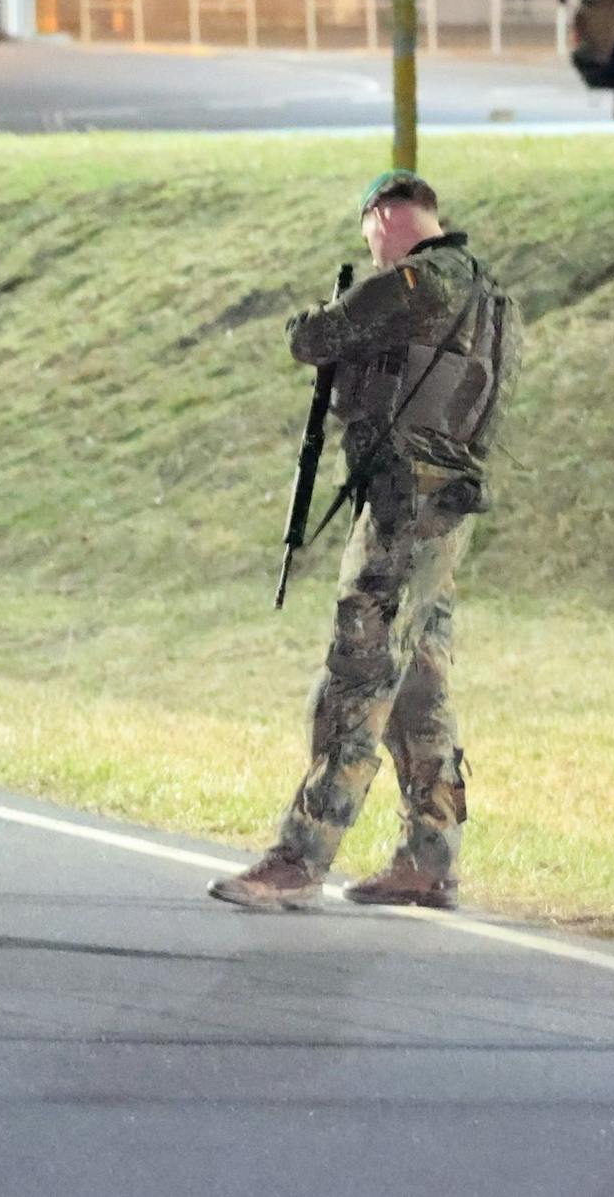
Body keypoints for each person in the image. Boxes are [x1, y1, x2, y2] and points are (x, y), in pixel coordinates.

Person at [208, 170, 522, 912]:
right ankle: (429, 859)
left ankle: (299, 858)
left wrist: (320, 314)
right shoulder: (489, 295)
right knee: (420, 689)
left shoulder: (412, 284)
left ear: (383, 216)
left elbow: (314, 337)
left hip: (401, 509)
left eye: (370, 235)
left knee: (356, 678)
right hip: (445, 511)